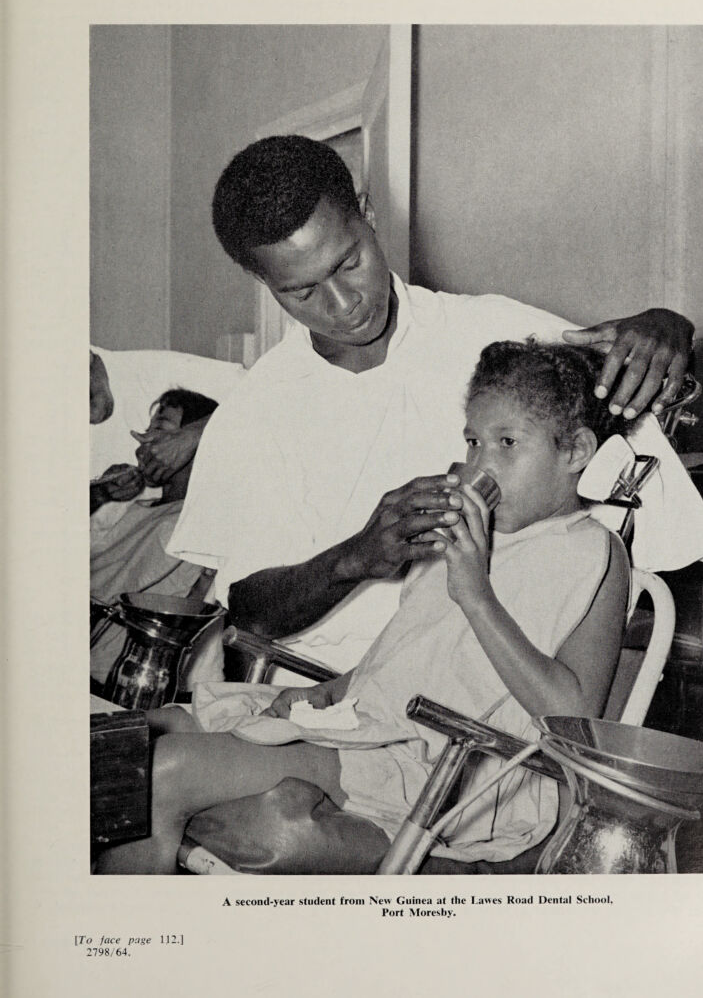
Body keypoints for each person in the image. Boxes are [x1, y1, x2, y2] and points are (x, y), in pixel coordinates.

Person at [168, 135, 703, 678]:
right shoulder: (254, 414)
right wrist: (353, 559)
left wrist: (666, 331)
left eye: (349, 263)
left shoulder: (497, 333)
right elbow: (250, 610)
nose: (344, 304)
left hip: (489, 694)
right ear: (262, 281)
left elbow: (633, 404)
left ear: (367, 212)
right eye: (303, 293)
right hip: (320, 691)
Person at [96, 341, 632, 874]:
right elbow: (410, 656)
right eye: (472, 442)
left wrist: (474, 594)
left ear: (576, 452)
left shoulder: (591, 552)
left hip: (454, 773)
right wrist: (322, 692)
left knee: (160, 771)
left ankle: (134, 948)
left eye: (506, 442)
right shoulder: (465, 535)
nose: (479, 465)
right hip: (375, 730)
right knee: (139, 731)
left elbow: (572, 718)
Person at [90, 388, 219, 685]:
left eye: (159, 429)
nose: (141, 444)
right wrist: (100, 494)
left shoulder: (190, 522)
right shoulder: (134, 506)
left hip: (106, 673)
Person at [90, 346, 243, 547]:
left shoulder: (158, 370)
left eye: (159, 426)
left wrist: (193, 435)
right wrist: (100, 494)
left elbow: (269, 394)